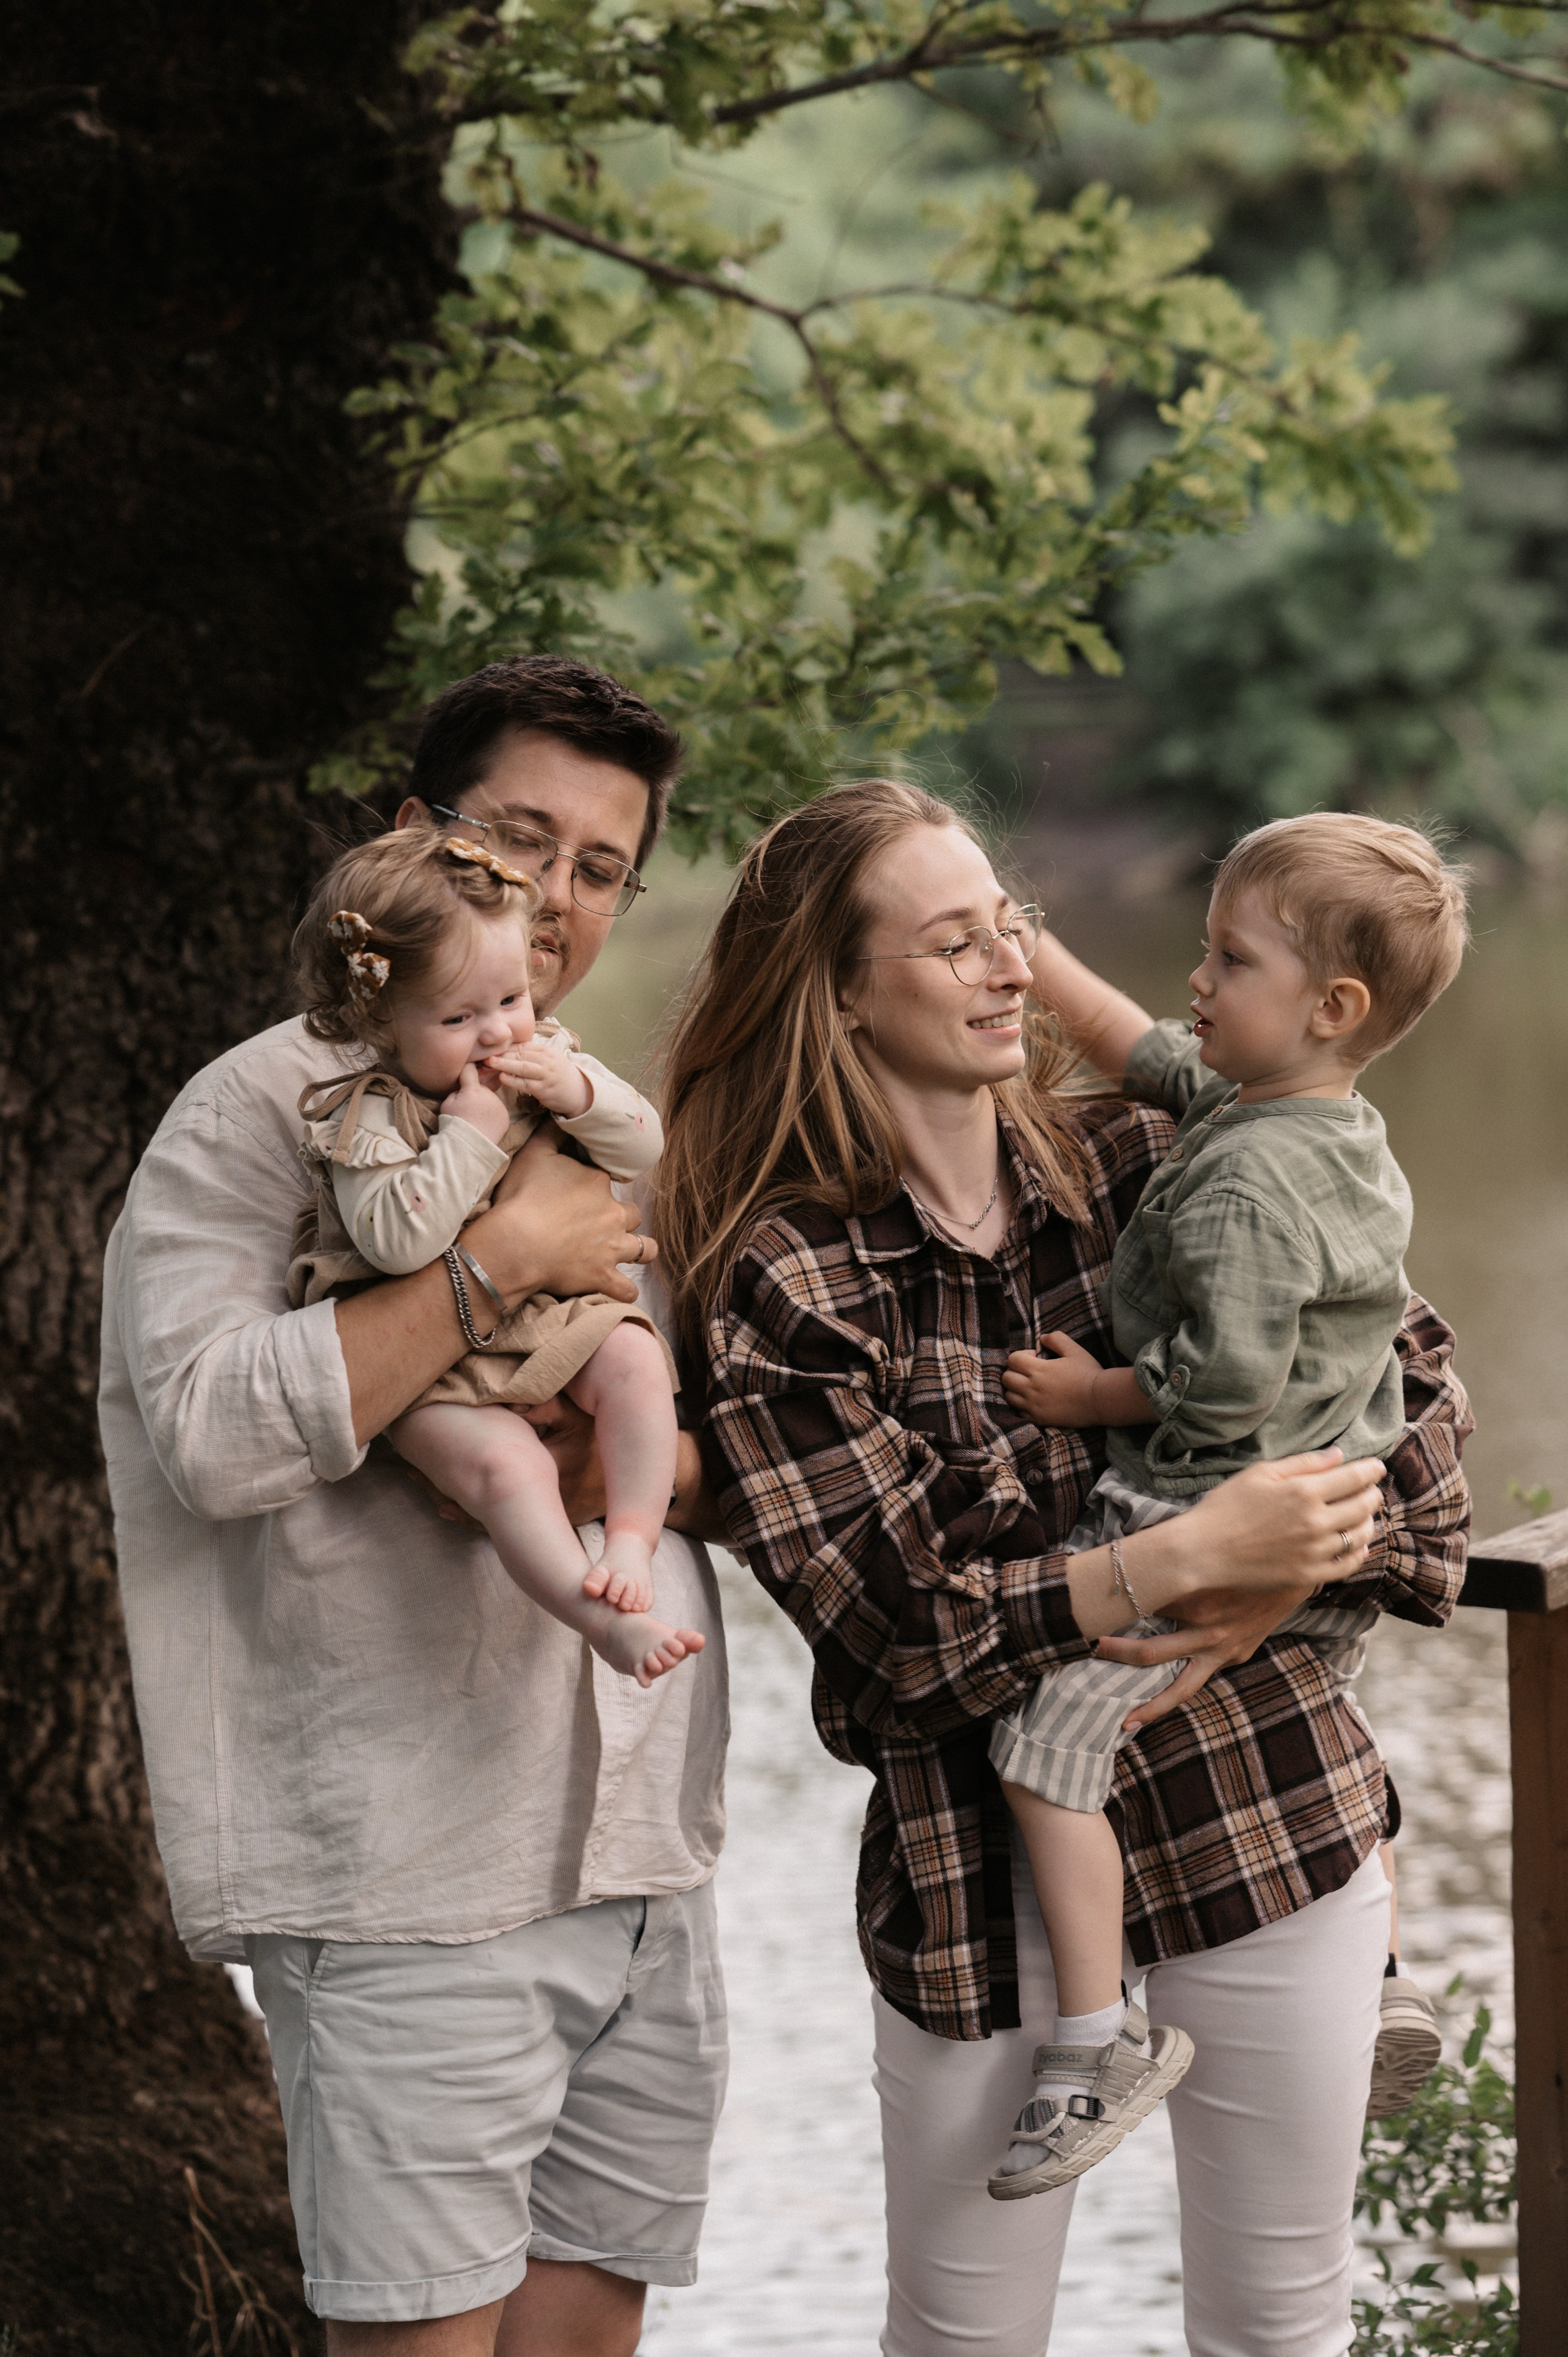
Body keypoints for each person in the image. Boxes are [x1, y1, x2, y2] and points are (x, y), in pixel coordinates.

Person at [656, 778, 1471, 2357]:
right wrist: (1183, 1552)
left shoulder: (1164, 1156)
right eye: (952, 942)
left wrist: (1274, 1577)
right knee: (962, 2343)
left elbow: (1415, 1411)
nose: (1009, 967)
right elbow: (901, 1632)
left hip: (1260, 1803)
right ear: (840, 990)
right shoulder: (787, 1275)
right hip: (979, 1877)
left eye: (1007, 927)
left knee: (1282, 2329)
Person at [100, 657, 729, 2357]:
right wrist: (490, 1267)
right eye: (523, 841)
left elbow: (692, 1436)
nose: (558, 897)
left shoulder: (582, 1109)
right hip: (411, 1880)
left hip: (640, 1858)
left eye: (601, 868)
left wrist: (643, 1469)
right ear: (415, 836)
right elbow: (208, 1432)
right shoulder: (261, 1113)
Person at [986, 812, 1466, 2195]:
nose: (1197, 980)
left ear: (1331, 1007)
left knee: (1043, 1743)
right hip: (1335, 1503)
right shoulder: (1311, 1116)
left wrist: (1089, 1396)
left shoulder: (1246, 1183)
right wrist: (1031, 949)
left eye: (1230, 960)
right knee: (1327, 1700)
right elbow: (1135, 1044)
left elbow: (1221, 1388)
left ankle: (1098, 2040)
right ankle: (1377, 1971)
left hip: (1206, 1511)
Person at [288, 825, 702, 1686]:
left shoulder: (545, 1055)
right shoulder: (370, 1118)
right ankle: (599, 1619)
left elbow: (643, 1145)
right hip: (431, 1367)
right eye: (458, 1017)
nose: (495, 1033)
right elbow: (396, 1241)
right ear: (379, 1018)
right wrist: (468, 1140)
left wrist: (579, 1092)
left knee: (633, 1358)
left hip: (547, 1319)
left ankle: (632, 1537)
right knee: (504, 1467)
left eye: (511, 998)